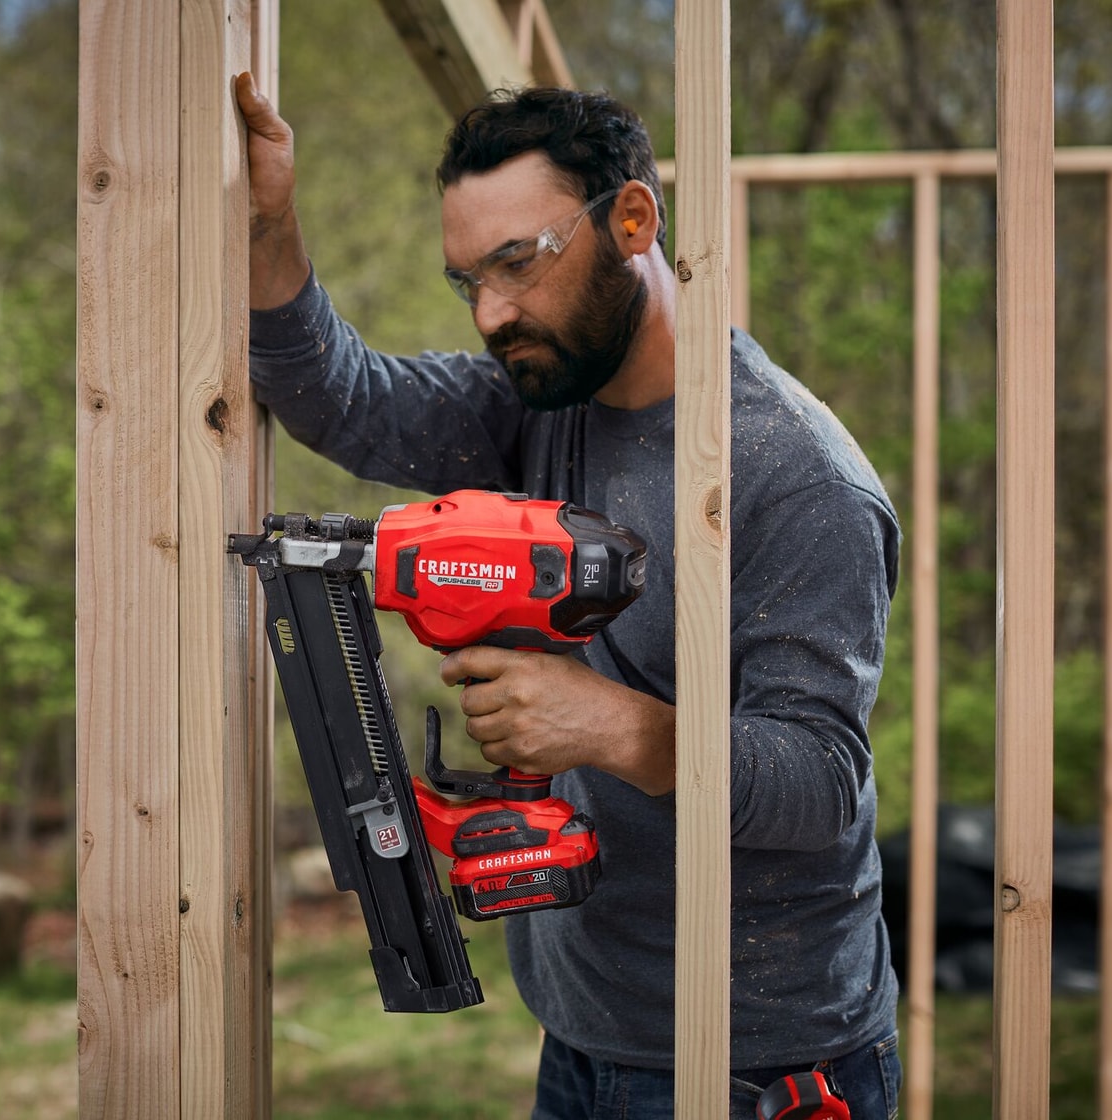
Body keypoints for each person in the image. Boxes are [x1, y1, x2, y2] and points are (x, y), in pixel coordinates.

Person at [235, 73, 903, 1120]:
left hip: (756, 1066)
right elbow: (333, 392)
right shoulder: (537, 404)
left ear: (633, 218)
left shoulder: (792, 475)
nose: (496, 313)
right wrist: (270, 224)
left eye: (519, 262)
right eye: (469, 282)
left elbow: (821, 783)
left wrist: (611, 724)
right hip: (585, 1043)